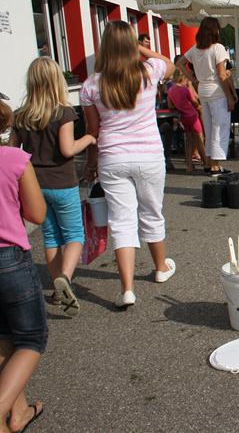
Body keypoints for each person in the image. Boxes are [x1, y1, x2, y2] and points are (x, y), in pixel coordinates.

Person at [80, 21, 177, 308]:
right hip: (149, 155)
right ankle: (160, 268)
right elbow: (170, 65)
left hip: (112, 157)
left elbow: (93, 130)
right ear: (131, 45)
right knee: (152, 212)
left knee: (122, 221)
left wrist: (91, 164)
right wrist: (142, 49)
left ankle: (127, 289)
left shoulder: (91, 84)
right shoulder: (148, 71)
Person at [12, 57, 96, 317]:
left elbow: (13, 152)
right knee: (75, 235)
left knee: (50, 236)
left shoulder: (21, 115)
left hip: (34, 186)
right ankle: (65, 278)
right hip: (62, 183)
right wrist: (88, 138)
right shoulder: (63, 113)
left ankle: (58, 288)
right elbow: (67, 149)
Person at [0, 96, 47, 433]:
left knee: (3, 337)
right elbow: (37, 214)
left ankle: (17, 414)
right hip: (9, 259)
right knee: (31, 338)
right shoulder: (14, 159)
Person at [177, 17, 236, 174]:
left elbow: (180, 63)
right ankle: (215, 165)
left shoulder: (195, 49)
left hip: (203, 90)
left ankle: (210, 163)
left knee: (209, 128)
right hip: (217, 91)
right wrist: (230, 96)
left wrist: (193, 79)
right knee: (219, 127)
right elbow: (222, 75)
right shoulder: (218, 48)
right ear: (215, 30)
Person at [167, 70, 207, 173]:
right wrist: (199, 106)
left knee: (189, 141)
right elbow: (194, 101)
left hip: (183, 117)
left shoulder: (170, 90)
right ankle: (206, 163)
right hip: (192, 116)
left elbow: (170, 106)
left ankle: (189, 166)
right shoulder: (185, 90)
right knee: (199, 139)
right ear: (183, 79)